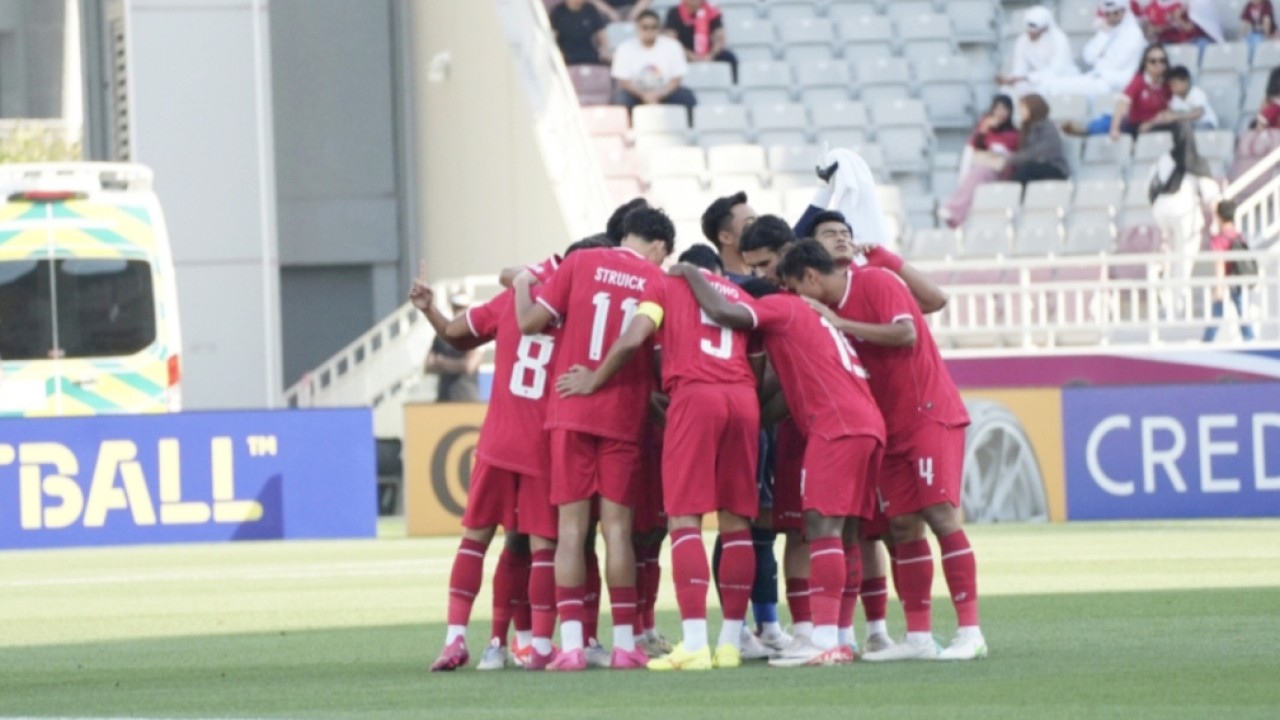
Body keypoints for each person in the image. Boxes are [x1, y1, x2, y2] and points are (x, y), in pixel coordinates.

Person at [673, 244, 887, 669]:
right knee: (842, 534)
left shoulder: (782, 307)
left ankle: (823, 638)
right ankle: (840, 636)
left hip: (838, 426)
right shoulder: (814, 321)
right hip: (865, 423)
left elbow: (728, 314)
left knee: (820, 526)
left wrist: (691, 274)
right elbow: (785, 397)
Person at [556, 245, 760, 671]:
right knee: (736, 520)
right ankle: (730, 644)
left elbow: (633, 337)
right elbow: (760, 361)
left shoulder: (663, 285)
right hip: (743, 399)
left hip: (695, 395)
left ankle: (695, 644)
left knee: (684, 518)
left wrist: (595, 378)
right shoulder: (738, 295)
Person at [791, 228, 986, 662]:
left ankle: (971, 631)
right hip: (889, 428)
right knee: (901, 528)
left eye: (795, 289)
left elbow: (906, 335)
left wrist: (841, 323)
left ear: (810, 277)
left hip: (928, 413)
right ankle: (918, 637)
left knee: (940, 515)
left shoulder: (875, 282)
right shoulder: (824, 311)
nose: (797, 299)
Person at [420, 237, 611, 672]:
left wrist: (429, 308)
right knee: (547, 546)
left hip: (497, 441)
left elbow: (454, 333)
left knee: (476, 541)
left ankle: (455, 640)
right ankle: (542, 645)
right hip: (545, 446)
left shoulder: (513, 300)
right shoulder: (580, 314)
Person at [513, 206, 674, 671]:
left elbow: (529, 323)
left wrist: (523, 280)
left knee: (570, 531)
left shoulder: (579, 264)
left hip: (571, 412)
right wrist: (602, 379)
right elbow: (632, 339)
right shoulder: (654, 281)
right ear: (659, 247)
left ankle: (572, 648)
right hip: (621, 417)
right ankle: (625, 645)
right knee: (618, 530)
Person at [698, 192, 791, 659]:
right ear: (726, 237)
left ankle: (767, 622)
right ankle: (742, 628)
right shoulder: (726, 289)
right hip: (742, 413)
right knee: (741, 518)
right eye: (746, 221)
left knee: (767, 521)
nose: (756, 225)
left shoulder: (766, 285)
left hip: (764, 417)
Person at [1149, 121, 1221, 296]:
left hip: (1160, 209)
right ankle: (1179, 292)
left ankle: (1164, 284)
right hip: (1183, 212)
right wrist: (1219, 221)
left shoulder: (1164, 159)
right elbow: (1211, 194)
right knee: (1186, 252)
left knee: (1168, 250)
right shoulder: (1196, 161)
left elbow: (1150, 186)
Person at [1039, 1, 1146, 102]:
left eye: (1115, 13)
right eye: (1107, 14)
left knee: (1055, 87)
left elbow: (1114, 65)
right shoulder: (1108, 30)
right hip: (1099, 78)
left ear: (1125, 11)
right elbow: (1088, 57)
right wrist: (1103, 35)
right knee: (1048, 85)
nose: (1111, 17)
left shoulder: (1134, 34)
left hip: (1115, 83)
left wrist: (1099, 61)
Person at [940, 96, 1022, 228]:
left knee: (978, 173)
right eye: (997, 108)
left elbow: (1018, 153)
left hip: (1001, 169)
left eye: (1004, 109)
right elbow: (974, 146)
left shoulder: (1015, 133)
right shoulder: (985, 128)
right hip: (984, 164)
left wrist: (1003, 153)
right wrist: (983, 129)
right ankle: (956, 214)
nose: (1000, 112)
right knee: (975, 174)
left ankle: (955, 210)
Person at [611, 10, 697, 114]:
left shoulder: (673, 46)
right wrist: (644, 95)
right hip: (636, 94)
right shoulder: (624, 48)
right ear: (637, 28)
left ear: (659, 28)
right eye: (645, 27)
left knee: (686, 96)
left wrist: (659, 94)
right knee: (620, 98)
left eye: (653, 27)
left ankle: (688, 128)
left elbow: (676, 79)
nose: (649, 31)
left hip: (665, 93)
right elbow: (623, 82)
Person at [1203, 198, 1257, 342]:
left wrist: (1218, 288)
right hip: (1239, 278)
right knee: (1241, 310)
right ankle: (1249, 337)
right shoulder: (1238, 235)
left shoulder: (1219, 239)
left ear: (1219, 216)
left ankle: (1208, 340)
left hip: (1230, 279)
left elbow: (1220, 264)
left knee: (1220, 311)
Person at [996, 6, 1080, 97]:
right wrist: (1010, 79)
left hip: (1062, 78)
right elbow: (1019, 68)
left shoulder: (1060, 40)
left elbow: (1057, 70)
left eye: (1034, 27)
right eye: (1029, 26)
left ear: (1045, 28)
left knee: (1049, 87)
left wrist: (1028, 77)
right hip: (1036, 80)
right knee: (1007, 90)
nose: (1030, 31)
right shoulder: (1023, 41)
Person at [424, 290, 481, 402]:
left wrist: (441, 362)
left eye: (462, 307)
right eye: (456, 307)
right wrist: (457, 365)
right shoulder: (441, 335)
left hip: (467, 399)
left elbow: (469, 366)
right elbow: (428, 366)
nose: (458, 311)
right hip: (444, 398)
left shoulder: (474, 334)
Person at [1108, 44, 1173, 140]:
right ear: (1145, 63)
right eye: (1153, 61)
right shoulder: (1139, 80)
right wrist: (1114, 129)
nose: (1158, 64)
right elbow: (1122, 102)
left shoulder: (1168, 82)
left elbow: (1171, 107)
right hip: (1138, 126)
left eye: (1162, 61)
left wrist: (1154, 121)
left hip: (1158, 124)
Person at [664, 0, 738, 80]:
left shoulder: (712, 11)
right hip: (684, 53)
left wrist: (711, 55)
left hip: (709, 53)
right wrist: (691, 56)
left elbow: (720, 38)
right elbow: (671, 40)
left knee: (729, 58)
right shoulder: (674, 13)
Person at [1010, 93, 1071, 183]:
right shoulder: (1026, 127)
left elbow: (1040, 151)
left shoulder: (1047, 126)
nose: (1020, 112)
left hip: (1053, 167)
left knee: (1025, 170)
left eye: (1023, 108)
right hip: (1034, 167)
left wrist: (1012, 159)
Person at [700, 191, 757, 280]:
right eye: (749, 225)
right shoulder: (714, 285)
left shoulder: (772, 278)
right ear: (725, 237)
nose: (760, 229)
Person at [1132, 0, 1223, 48]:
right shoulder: (1151, 7)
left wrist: (1178, 19)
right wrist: (1157, 29)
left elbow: (1189, 28)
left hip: (1188, 41)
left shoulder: (1181, 4)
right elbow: (1148, 32)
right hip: (1166, 43)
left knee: (1203, 45)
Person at [550, 0, 610, 66]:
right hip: (566, 54)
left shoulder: (591, 10)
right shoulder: (557, 12)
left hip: (588, 52)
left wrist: (604, 49)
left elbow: (601, 33)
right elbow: (552, 35)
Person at [1162, 65, 1218, 130]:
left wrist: (1176, 116)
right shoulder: (1175, 98)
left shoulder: (1195, 92)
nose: (1172, 88)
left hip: (1206, 124)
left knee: (1186, 129)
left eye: (1175, 84)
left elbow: (1198, 113)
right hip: (1189, 126)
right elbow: (1171, 112)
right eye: (1170, 85)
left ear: (1185, 82)